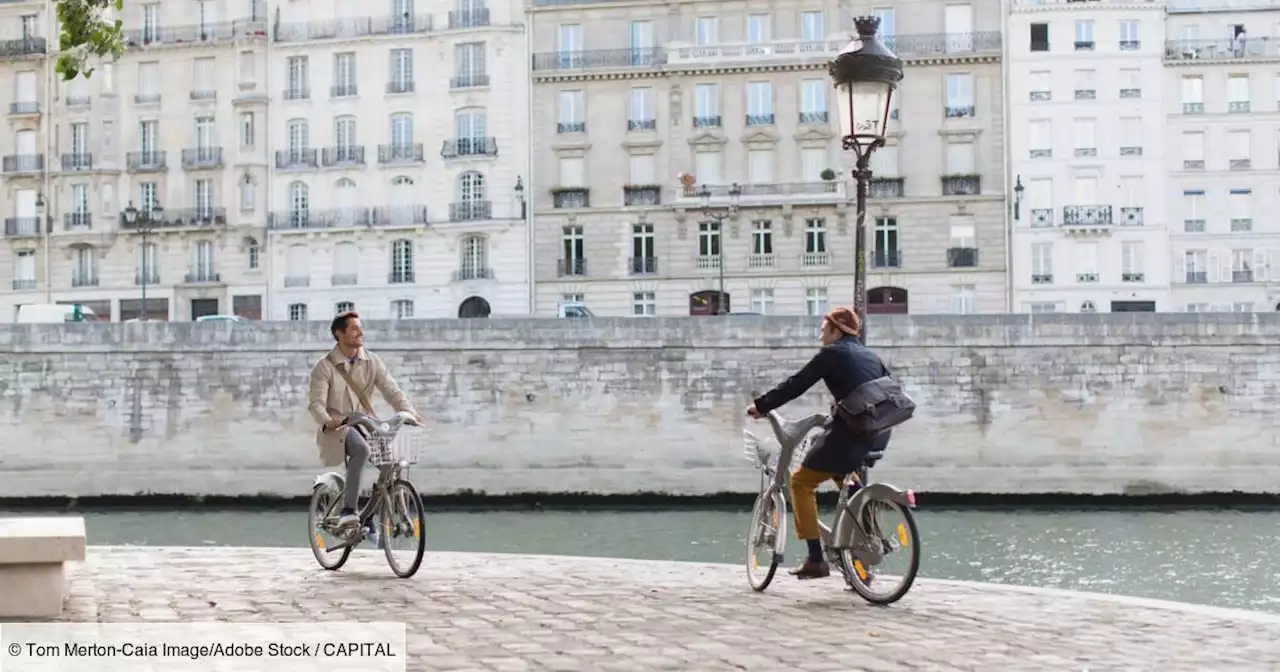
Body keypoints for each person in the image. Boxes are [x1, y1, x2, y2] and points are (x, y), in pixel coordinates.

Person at [745, 307, 892, 579]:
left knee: (801, 481)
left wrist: (761, 405)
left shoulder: (833, 353)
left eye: (824, 328)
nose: (821, 333)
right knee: (847, 479)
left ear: (837, 330)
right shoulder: (870, 355)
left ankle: (816, 558)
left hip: (852, 433)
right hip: (879, 432)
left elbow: (796, 384)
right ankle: (865, 545)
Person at [308, 312, 423, 529]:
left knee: (390, 463)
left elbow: (391, 390)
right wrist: (327, 421)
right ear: (339, 334)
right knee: (362, 450)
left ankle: (368, 517)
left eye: (360, 328)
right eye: (354, 329)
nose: (361, 332)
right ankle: (348, 511)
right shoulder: (324, 367)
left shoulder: (372, 361)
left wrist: (409, 413)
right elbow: (316, 404)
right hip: (339, 426)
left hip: (364, 423)